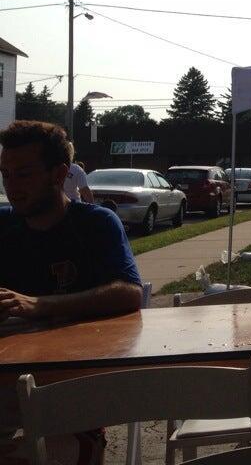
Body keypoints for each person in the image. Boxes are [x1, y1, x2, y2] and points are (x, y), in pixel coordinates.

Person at [0, 120, 142, 464]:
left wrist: (39, 305)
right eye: (5, 174)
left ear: (59, 174)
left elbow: (129, 292)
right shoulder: (3, 225)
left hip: (73, 385)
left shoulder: (96, 223)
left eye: (23, 174)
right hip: (7, 380)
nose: (11, 186)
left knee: (62, 453)